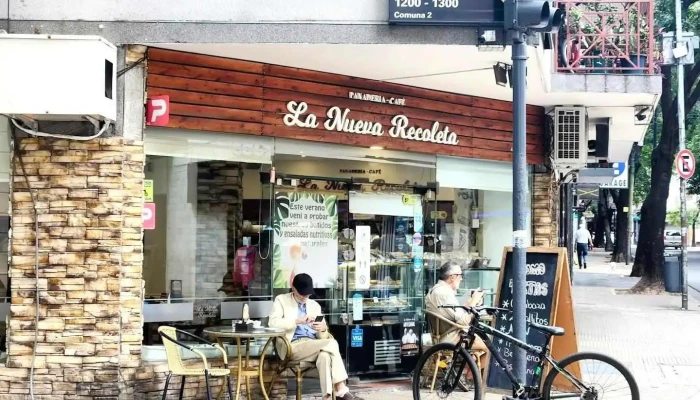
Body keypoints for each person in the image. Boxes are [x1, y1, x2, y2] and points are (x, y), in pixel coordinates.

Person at [269, 273, 363, 400]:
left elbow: (323, 334)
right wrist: (297, 321)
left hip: (315, 344)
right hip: (292, 345)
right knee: (331, 343)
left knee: (324, 356)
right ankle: (341, 390)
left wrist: (322, 329)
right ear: (293, 288)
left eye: (307, 294)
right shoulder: (281, 300)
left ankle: (327, 397)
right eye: (302, 293)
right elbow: (273, 323)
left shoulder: (314, 305)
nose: (305, 297)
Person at [425, 262, 488, 366]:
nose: (462, 279)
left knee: (480, 347)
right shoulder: (443, 293)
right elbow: (463, 321)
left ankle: (469, 373)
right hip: (451, 338)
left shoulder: (437, 290)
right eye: (460, 275)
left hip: (446, 335)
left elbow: (455, 315)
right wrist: (474, 302)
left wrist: (470, 303)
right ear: (453, 277)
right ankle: (470, 375)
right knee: (492, 347)